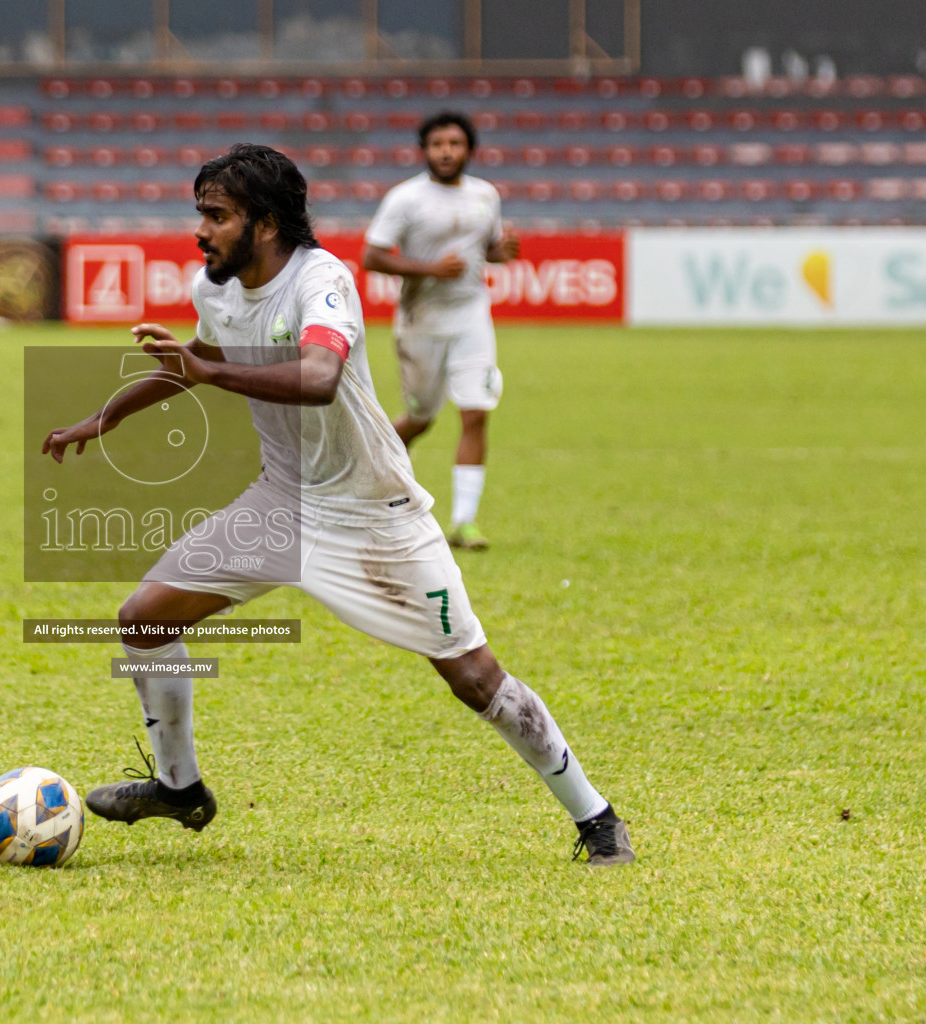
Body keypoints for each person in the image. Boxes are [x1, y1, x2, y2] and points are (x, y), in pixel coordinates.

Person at [41, 144, 633, 865]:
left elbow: (320, 377)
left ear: (263, 223)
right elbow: (191, 363)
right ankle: (179, 788)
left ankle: (596, 819)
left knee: (474, 677)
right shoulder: (216, 288)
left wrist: (209, 370)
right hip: (283, 506)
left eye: (217, 215)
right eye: (201, 212)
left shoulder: (322, 280)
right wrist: (102, 419)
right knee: (142, 619)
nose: (201, 230)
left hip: (376, 515)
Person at [362, 110, 519, 551]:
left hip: (471, 315)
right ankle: (372, 489)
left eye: (454, 143)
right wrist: (429, 268)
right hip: (421, 319)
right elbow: (372, 256)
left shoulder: (486, 195)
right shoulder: (406, 199)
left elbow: (485, 248)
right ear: (425, 150)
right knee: (420, 417)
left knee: (475, 411)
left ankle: (464, 523)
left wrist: (500, 251)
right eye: (437, 144)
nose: (446, 152)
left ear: (469, 149)